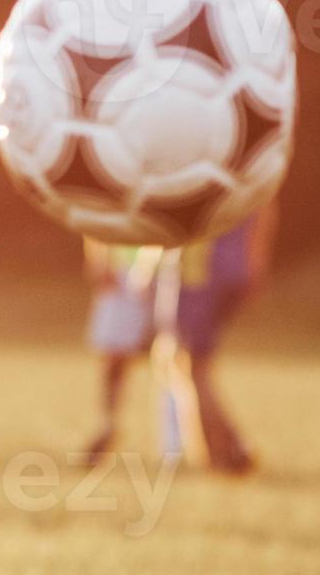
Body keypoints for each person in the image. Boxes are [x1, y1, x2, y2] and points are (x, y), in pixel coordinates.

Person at [162, 204, 276, 477]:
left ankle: (225, 453)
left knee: (190, 366)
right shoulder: (240, 166)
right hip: (228, 267)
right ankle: (224, 449)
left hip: (198, 271)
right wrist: (255, 258)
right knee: (190, 365)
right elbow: (266, 206)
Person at [79, 240, 161, 464]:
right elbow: (95, 214)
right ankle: (107, 425)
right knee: (114, 357)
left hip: (166, 269)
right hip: (121, 269)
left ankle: (175, 442)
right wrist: (97, 258)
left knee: (174, 358)